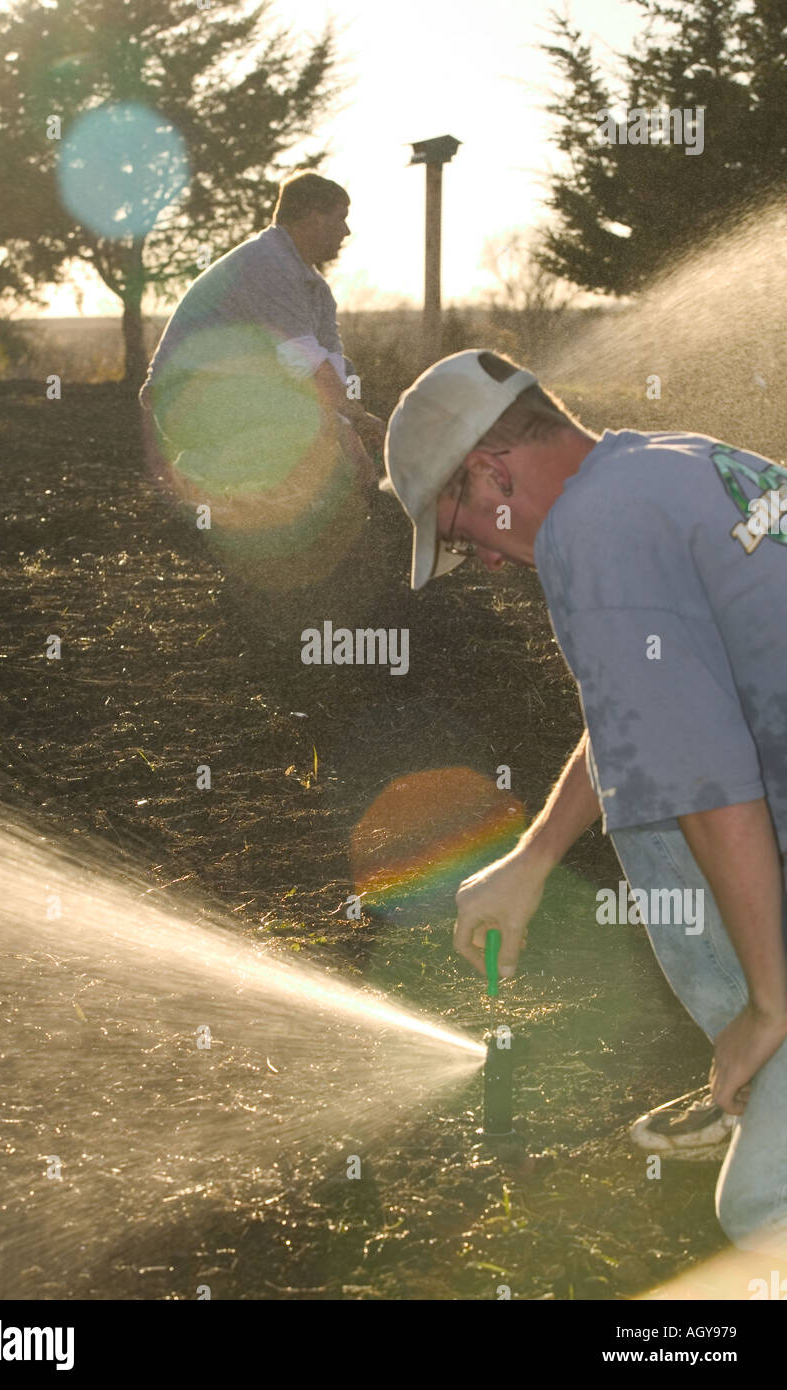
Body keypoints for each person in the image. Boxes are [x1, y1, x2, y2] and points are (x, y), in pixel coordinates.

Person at [382, 347, 787, 1255]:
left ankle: (768, 1064)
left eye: (458, 531)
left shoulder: (588, 534)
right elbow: (645, 713)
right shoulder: (661, 467)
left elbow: (706, 783)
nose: (478, 561)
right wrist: (533, 859)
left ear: (489, 470)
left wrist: (768, 1003)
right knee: (647, 777)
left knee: (761, 1214)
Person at [138, 170, 386, 497]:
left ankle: (278, 487)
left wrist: (351, 433)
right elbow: (308, 367)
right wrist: (355, 422)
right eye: (340, 218)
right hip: (183, 399)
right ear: (313, 218)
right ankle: (200, 472)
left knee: (340, 384)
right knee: (306, 416)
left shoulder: (315, 288)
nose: (346, 230)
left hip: (231, 388)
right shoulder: (269, 264)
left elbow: (333, 369)